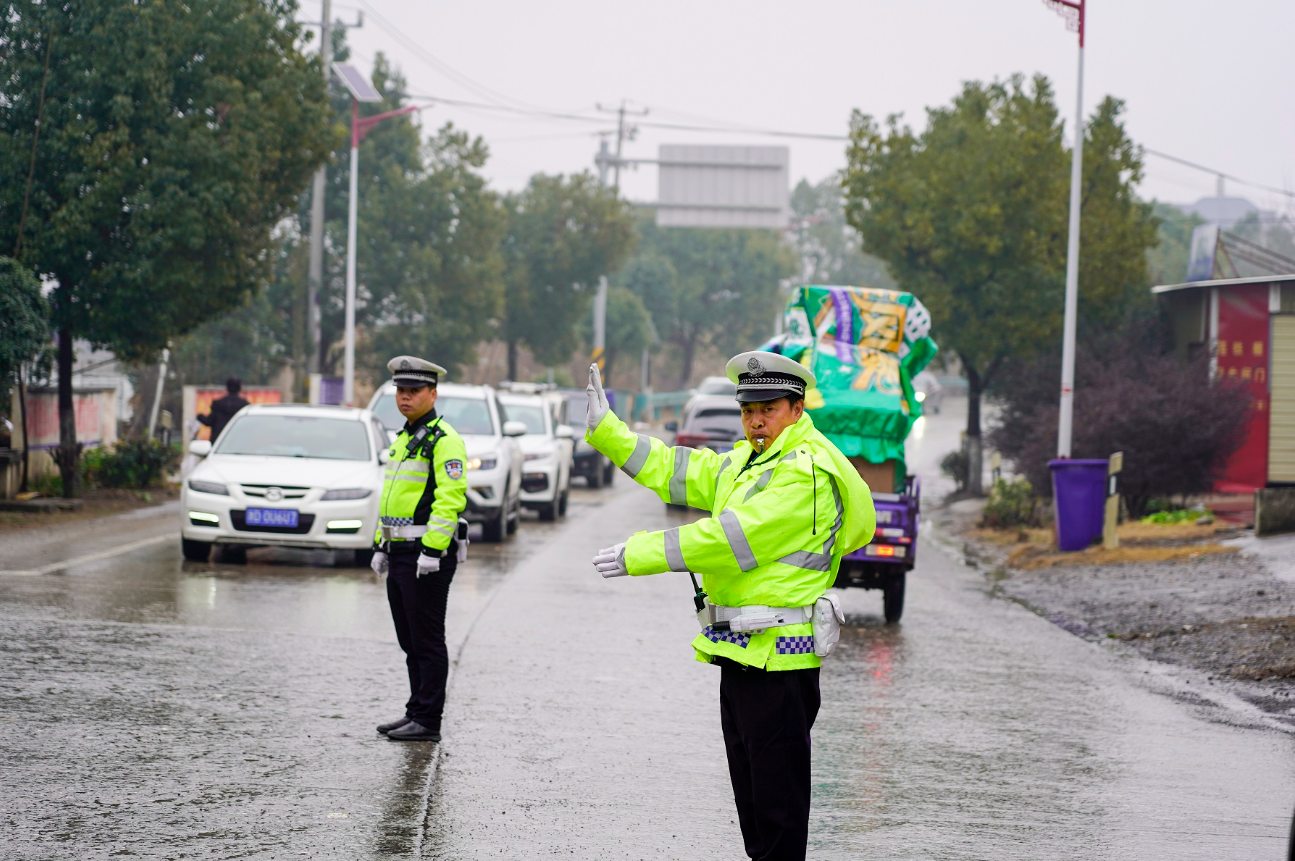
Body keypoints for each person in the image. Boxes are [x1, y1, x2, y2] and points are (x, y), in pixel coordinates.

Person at [586, 351, 875, 861]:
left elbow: (729, 539)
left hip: (781, 661)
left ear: (796, 407)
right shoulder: (747, 461)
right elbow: (674, 469)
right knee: (755, 811)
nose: (755, 422)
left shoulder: (805, 473)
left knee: (778, 816)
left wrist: (640, 553)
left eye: (767, 409)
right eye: (748, 411)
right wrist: (608, 430)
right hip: (743, 654)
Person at [370, 356, 468, 742]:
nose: (405, 398)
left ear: (433, 393)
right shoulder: (406, 438)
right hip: (400, 552)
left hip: (426, 556)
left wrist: (432, 549)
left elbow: (450, 498)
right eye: (401, 391)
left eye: (413, 391)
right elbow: (392, 499)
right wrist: (381, 544)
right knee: (409, 640)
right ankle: (415, 710)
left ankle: (428, 721)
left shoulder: (445, 440)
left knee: (426, 640)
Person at [196, 377, 249, 442]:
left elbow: (209, 421)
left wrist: (199, 416)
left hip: (219, 442)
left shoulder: (218, 403)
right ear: (240, 388)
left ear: (227, 387)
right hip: (238, 441)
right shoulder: (245, 405)